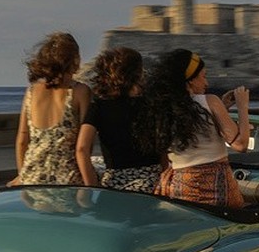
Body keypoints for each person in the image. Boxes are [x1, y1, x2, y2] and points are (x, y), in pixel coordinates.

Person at [137, 49, 250, 207]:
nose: (207, 83)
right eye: (203, 76)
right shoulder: (210, 100)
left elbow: (193, 125)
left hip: (180, 188)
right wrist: (242, 106)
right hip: (216, 187)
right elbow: (241, 144)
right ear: (190, 80)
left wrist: (221, 108)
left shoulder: (162, 110)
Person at [76, 46, 158, 192]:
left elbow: (82, 149)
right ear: (137, 74)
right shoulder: (152, 104)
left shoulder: (99, 107)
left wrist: (93, 187)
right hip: (151, 182)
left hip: (115, 184)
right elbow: (163, 146)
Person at [12, 32, 91, 185]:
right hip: (67, 178)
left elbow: (22, 140)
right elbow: (83, 145)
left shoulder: (32, 91)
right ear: (74, 59)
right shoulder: (80, 91)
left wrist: (22, 175)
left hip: (32, 176)